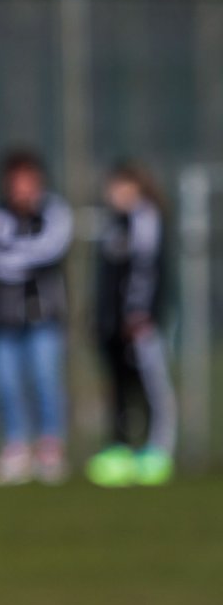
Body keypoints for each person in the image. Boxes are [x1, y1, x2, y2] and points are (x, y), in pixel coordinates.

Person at [0, 148, 74, 485]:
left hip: (43, 317)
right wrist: (18, 257)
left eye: (27, 182)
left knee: (45, 381)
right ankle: (15, 449)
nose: (21, 189)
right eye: (15, 182)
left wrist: (13, 257)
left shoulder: (55, 213)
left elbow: (48, 249)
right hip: (1, 320)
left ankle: (50, 449)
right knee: (6, 386)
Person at [86, 161, 177, 486]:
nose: (116, 193)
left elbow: (146, 271)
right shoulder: (114, 225)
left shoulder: (146, 218)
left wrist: (139, 313)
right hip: (114, 326)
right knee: (120, 388)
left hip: (140, 324)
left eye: (123, 186)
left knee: (152, 386)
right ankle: (121, 448)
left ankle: (158, 450)